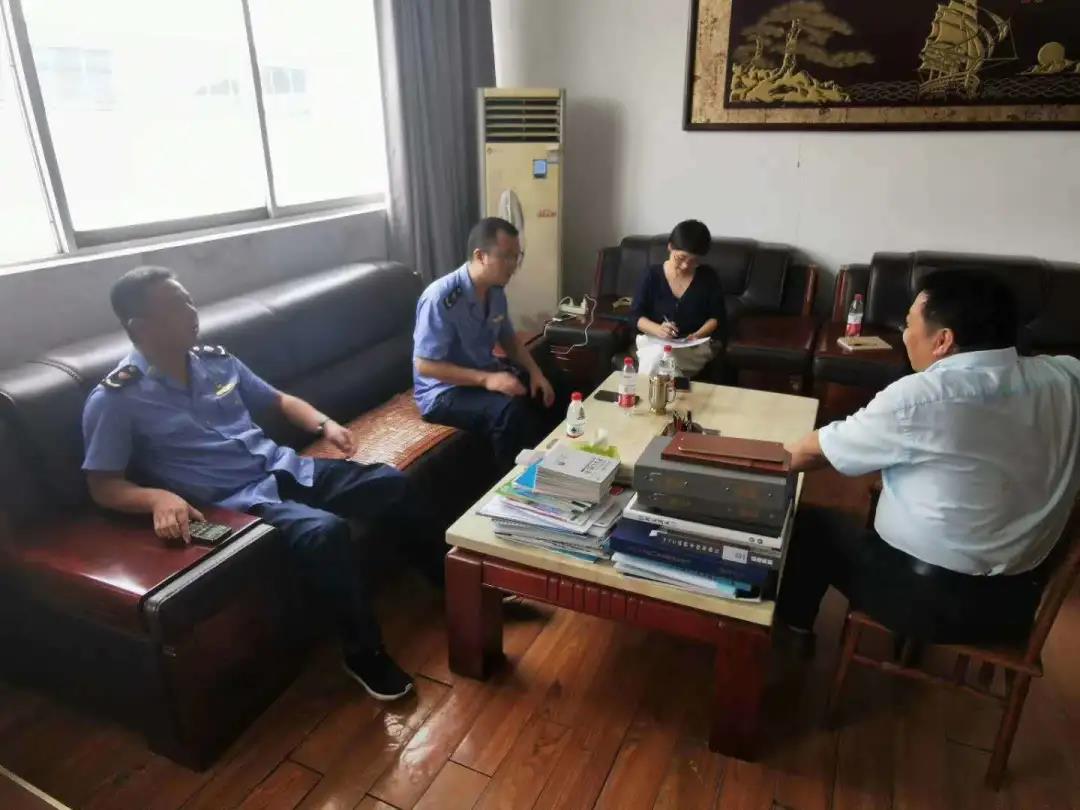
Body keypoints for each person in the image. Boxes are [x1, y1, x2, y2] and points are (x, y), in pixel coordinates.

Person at [82, 266, 444, 702]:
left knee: (391, 483)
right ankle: (364, 653)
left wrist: (324, 424)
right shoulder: (117, 399)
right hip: (236, 502)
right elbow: (103, 485)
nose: (192, 312)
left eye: (189, 300)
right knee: (324, 532)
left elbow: (278, 400)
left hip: (285, 468)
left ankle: (448, 583)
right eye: (176, 306)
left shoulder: (215, 361)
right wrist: (157, 497)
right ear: (140, 327)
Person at [779, 271, 1080, 649]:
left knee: (810, 528)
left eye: (908, 325)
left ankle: (792, 633)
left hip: (929, 603)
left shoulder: (923, 396)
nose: (904, 336)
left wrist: (741, 462)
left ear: (943, 340)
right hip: (1018, 603)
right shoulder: (1067, 376)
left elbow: (813, 451)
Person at [413, 217, 564, 470]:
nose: (513, 265)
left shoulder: (495, 291)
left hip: (482, 374)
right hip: (443, 391)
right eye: (506, 257)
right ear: (480, 256)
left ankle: (557, 465)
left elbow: (509, 340)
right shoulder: (441, 298)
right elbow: (425, 365)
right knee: (508, 412)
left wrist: (536, 373)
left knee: (550, 382)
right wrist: (487, 380)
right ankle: (514, 484)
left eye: (517, 256)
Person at [629, 219, 726, 377]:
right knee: (660, 356)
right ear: (670, 247)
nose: (685, 266)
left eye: (693, 261)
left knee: (659, 359)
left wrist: (698, 335)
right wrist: (658, 329)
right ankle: (676, 391)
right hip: (655, 341)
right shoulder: (651, 275)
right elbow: (635, 316)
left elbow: (716, 317)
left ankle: (649, 392)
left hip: (693, 348)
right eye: (680, 258)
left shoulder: (708, 277)